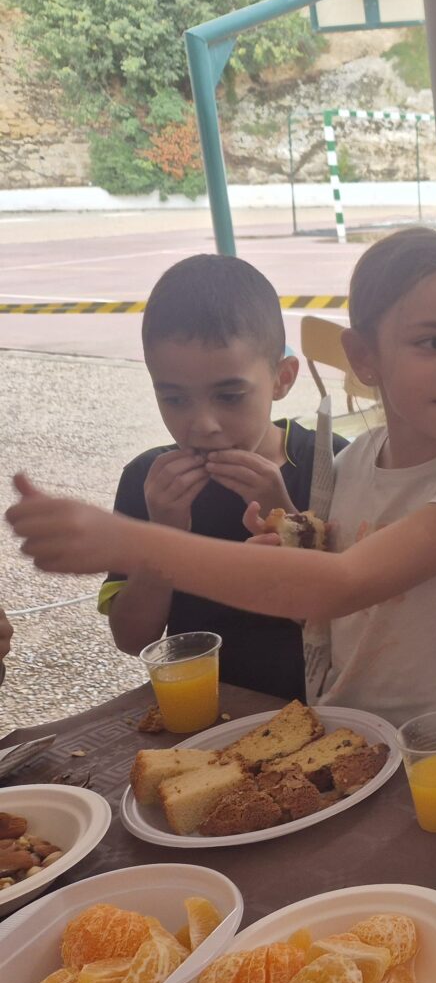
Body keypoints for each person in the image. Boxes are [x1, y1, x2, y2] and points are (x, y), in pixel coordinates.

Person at [9, 229, 436, 760]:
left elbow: (341, 585)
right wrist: (293, 540)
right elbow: (325, 622)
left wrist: (132, 541)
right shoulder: (350, 465)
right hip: (358, 744)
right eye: (435, 343)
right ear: (364, 357)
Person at [100, 255, 346, 701]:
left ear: (282, 379)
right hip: (202, 710)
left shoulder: (331, 465)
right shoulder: (147, 483)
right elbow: (132, 637)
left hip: (321, 707)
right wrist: (165, 535)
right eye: (175, 399)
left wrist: (288, 520)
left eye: (229, 396)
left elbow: (353, 619)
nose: (202, 425)